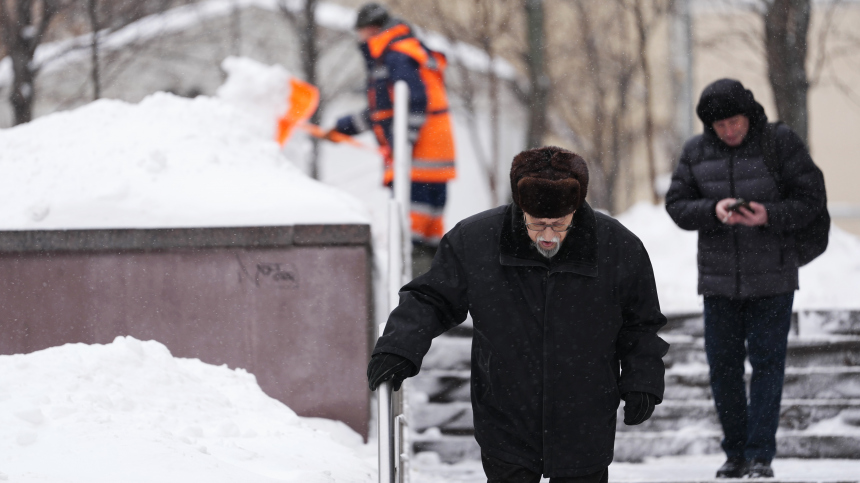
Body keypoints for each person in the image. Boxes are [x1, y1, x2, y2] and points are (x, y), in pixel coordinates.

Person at [368, 146, 670, 483]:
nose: (548, 236)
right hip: (505, 413)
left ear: (575, 210)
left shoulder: (618, 246)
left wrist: (643, 379)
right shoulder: (476, 240)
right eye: (537, 224)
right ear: (521, 207)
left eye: (559, 224)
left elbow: (641, 324)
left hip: (585, 415)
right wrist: (399, 347)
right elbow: (431, 298)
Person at [665, 79, 827, 479]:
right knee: (723, 369)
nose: (729, 131)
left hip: (773, 277)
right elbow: (677, 204)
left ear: (749, 115)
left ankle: (759, 456)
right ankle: (735, 453)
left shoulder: (779, 143)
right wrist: (712, 210)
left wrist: (769, 214)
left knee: (768, 366)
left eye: (734, 122)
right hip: (718, 282)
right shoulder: (695, 151)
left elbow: (811, 199)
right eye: (720, 125)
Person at [327, 3, 456, 274]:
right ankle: (436, 292)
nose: (359, 39)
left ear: (371, 29)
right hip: (434, 156)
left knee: (410, 239)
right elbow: (385, 111)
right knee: (430, 237)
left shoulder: (394, 54)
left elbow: (414, 102)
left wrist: (403, 144)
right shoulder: (406, 50)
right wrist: (343, 128)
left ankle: (418, 294)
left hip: (416, 161)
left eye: (360, 33)